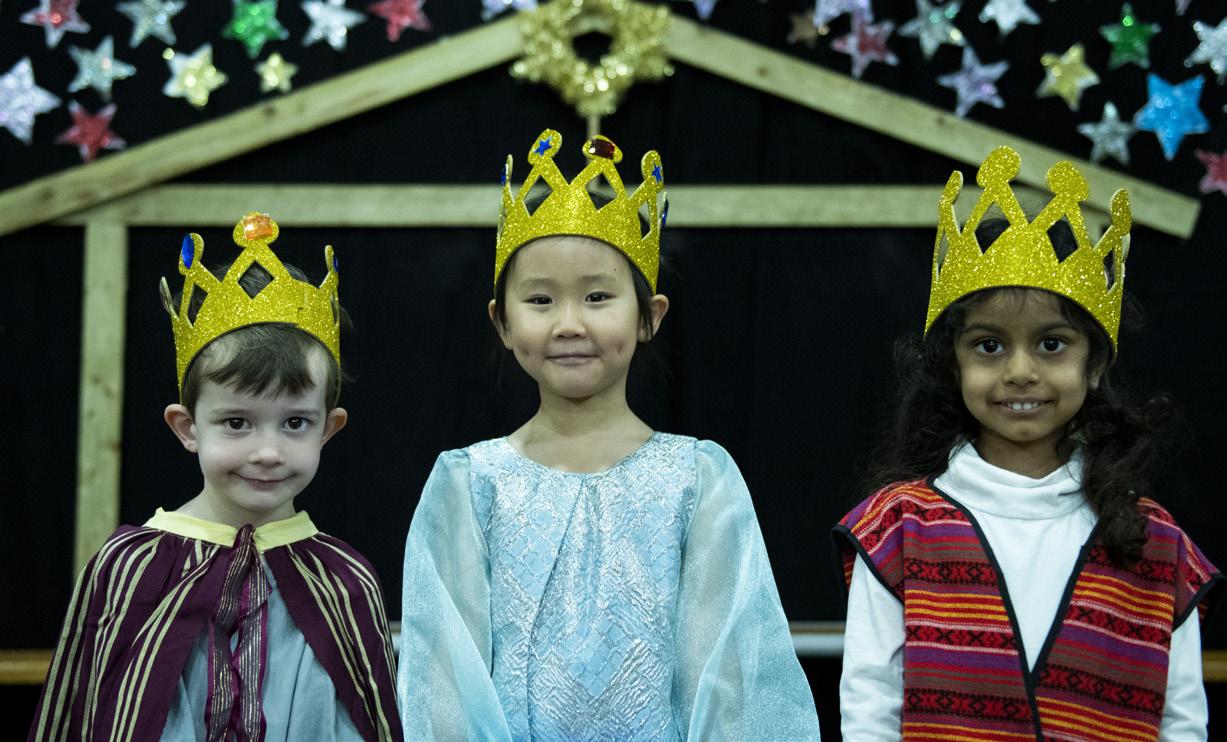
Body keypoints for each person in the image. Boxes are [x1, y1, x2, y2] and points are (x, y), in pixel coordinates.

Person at [397, 129, 820, 740]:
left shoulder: (697, 480)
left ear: (650, 316)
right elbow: (445, 681)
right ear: (502, 322)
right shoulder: (469, 485)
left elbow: (731, 674)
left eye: (598, 296)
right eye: (540, 300)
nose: (569, 324)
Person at [834, 146, 1223, 741]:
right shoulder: (898, 529)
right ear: (954, 364)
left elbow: (1183, 724)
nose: (1020, 372)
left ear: (1095, 364)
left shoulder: (1157, 544)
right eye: (989, 346)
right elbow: (871, 713)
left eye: (1052, 344)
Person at [30, 213, 401, 742]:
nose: (267, 452)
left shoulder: (346, 583)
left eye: (295, 423)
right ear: (187, 428)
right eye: (236, 423)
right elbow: (78, 718)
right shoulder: (125, 568)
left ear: (329, 428)